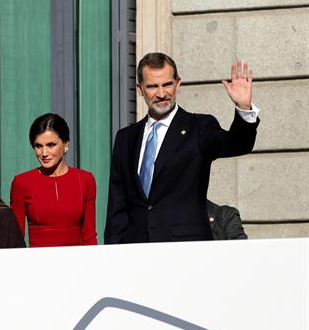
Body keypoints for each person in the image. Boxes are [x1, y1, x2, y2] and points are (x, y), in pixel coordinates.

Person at [104, 54, 259, 243]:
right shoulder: (125, 138)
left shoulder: (199, 127)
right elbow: (117, 208)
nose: (161, 93)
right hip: (136, 251)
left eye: (167, 84)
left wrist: (243, 108)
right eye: (153, 86)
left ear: (178, 84)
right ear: (140, 89)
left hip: (186, 250)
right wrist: (112, 255)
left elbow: (236, 144)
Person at [10, 113, 97, 247]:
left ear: (65, 143)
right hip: (38, 264)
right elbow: (15, 240)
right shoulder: (22, 183)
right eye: (38, 146)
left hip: (77, 264)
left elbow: (90, 236)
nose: (44, 153)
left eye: (51, 145)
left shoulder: (85, 180)